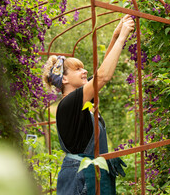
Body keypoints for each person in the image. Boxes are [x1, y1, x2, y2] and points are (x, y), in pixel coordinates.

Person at [42, 15, 135, 195]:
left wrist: (115, 36)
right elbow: (102, 77)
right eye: (78, 69)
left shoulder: (81, 99)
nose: (85, 71)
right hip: (80, 179)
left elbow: (101, 73)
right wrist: (123, 36)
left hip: (89, 173)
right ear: (65, 79)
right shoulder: (69, 103)